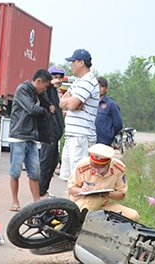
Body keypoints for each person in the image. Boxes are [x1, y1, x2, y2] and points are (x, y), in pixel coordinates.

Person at [8, 69, 52, 211]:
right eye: (44, 86)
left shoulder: (38, 93)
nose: (45, 89)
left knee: (34, 173)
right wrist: (45, 110)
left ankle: (37, 203)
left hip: (32, 137)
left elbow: (49, 104)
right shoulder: (23, 90)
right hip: (19, 136)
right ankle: (15, 202)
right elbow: (31, 109)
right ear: (38, 81)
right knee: (15, 172)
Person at [67, 143, 139, 221]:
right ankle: (74, 223)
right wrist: (81, 190)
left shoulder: (118, 168)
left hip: (104, 204)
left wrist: (108, 194)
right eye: (93, 167)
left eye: (99, 168)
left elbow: (121, 194)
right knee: (93, 201)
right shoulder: (83, 166)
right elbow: (71, 189)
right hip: (83, 202)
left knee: (133, 216)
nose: (96, 170)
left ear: (108, 163)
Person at [58, 49, 100, 180]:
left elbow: (70, 104)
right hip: (72, 135)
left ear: (81, 62)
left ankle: (80, 201)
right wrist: (72, 103)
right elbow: (61, 101)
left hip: (81, 136)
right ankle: (70, 201)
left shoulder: (88, 81)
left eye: (73, 62)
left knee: (80, 179)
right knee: (70, 179)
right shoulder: (78, 81)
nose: (71, 65)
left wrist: (72, 103)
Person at [38, 65, 65, 199]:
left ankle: (44, 190)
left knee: (53, 162)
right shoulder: (47, 90)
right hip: (49, 133)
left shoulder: (55, 92)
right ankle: (41, 192)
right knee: (46, 162)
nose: (58, 80)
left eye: (60, 78)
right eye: (55, 77)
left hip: (56, 134)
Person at [94, 77, 123, 146]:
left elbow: (118, 124)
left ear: (106, 89)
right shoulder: (91, 103)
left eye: (101, 86)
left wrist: (110, 135)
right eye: (97, 86)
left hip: (104, 142)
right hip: (91, 140)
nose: (99, 88)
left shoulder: (111, 105)